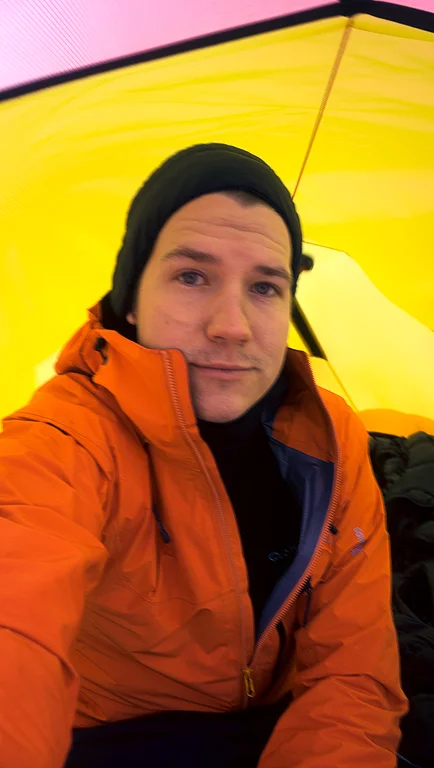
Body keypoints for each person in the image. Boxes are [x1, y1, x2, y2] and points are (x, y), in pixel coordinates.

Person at [0, 143, 406, 768]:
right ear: (131, 298)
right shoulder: (64, 440)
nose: (232, 325)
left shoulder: (331, 438)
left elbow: (352, 670)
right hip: (119, 736)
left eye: (265, 287)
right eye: (192, 276)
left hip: (282, 723)